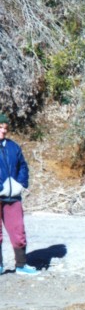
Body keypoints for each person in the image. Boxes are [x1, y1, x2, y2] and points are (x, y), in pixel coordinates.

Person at [0, 113, 38, 275]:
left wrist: (20, 184)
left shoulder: (13, 147)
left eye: (5, 128)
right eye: (0, 128)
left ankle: (21, 265)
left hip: (12, 196)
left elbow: (23, 166)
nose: (3, 131)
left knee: (18, 230)